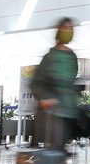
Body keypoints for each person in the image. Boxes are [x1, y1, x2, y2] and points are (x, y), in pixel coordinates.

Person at [31, 18, 80, 152]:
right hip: (51, 109)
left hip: (68, 109)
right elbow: (36, 82)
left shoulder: (72, 57)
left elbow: (71, 80)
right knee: (53, 149)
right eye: (65, 28)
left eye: (70, 28)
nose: (68, 31)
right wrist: (44, 98)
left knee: (61, 149)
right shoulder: (50, 57)